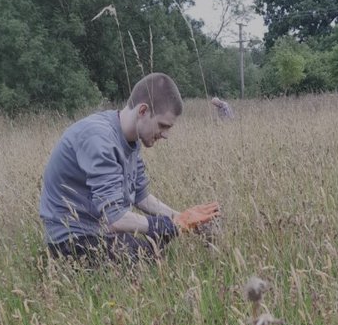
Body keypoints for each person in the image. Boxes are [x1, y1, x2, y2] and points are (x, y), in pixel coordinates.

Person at [39, 72, 220, 263]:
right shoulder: (99, 139)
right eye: (162, 125)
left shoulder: (131, 141)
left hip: (100, 231)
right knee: (151, 262)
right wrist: (170, 225)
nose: (165, 135)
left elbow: (141, 197)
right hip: (71, 239)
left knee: (156, 253)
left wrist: (182, 217)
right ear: (142, 111)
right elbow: (116, 219)